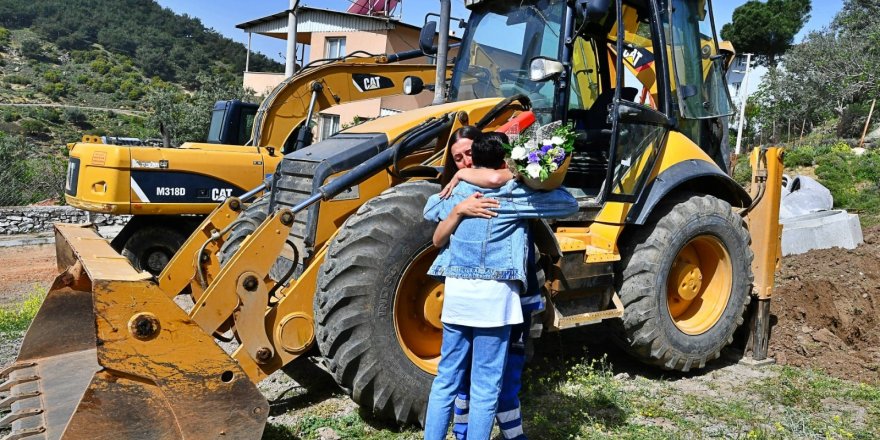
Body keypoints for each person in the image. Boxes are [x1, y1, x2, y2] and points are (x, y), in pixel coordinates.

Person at [423, 135, 578, 440]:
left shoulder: (460, 194)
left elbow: (430, 209)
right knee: (484, 387)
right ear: (505, 160)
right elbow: (568, 203)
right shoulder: (513, 193)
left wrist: (461, 179)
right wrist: (516, 174)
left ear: (474, 160)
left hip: (457, 297)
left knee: (446, 380)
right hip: (494, 302)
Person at [437, 131, 539, 440]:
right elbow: (432, 211)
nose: (466, 162)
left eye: (469, 154)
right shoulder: (475, 194)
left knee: (500, 373)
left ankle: (510, 432)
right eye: (459, 159)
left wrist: (473, 178)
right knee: (478, 381)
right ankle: (465, 431)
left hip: (507, 293)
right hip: (493, 297)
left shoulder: (508, 189)